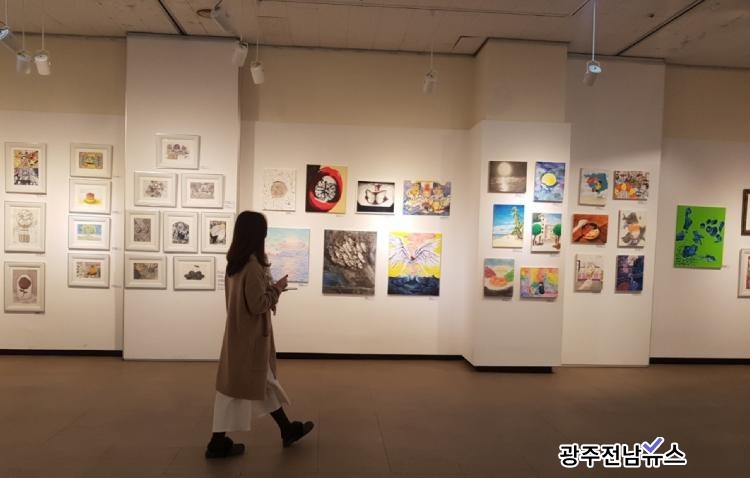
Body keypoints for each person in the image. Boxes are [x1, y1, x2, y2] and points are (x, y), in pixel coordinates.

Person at [206, 211, 314, 459]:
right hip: (251, 339)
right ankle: (217, 443)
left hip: (240, 335)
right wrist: (277, 289)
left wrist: (270, 292)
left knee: (254, 385)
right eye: (264, 232)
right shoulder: (252, 266)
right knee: (243, 387)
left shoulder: (235, 264)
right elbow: (257, 305)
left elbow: (248, 300)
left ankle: (286, 429)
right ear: (256, 235)